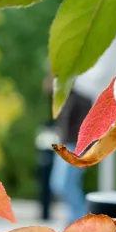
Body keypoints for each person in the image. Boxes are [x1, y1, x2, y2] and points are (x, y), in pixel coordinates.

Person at [50, 87, 93, 224]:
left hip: (77, 146)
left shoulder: (82, 97)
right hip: (64, 145)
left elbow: (90, 125)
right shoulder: (63, 96)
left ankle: (79, 218)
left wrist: (87, 149)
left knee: (67, 184)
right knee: (58, 184)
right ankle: (76, 217)